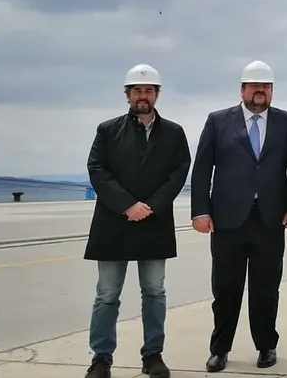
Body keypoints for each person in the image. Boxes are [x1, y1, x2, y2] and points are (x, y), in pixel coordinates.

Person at [189, 60, 287, 373]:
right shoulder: (218, 121)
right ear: (242, 89)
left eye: (266, 86)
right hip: (227, 221)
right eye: (254, 85)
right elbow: (202, 169)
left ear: (272, 90)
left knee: (266, 289)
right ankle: (219, 349)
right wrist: (200, 211)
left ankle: (266, 346)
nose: (260, 91)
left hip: (269, 219)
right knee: (225, 289)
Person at [83, 64, 191, 378]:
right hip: (113, 222)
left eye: (148, 90)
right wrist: (127, 205)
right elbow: (97, 171)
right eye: (137, 91)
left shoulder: (174, 132)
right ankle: (101, 359)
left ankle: (153, 356)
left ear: (157, 94)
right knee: (107, 294)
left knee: (154, 292)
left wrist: (152, 206)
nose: (142, 96)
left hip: (154, 222)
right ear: (128, 95)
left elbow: (179, 172)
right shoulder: (107, 129)